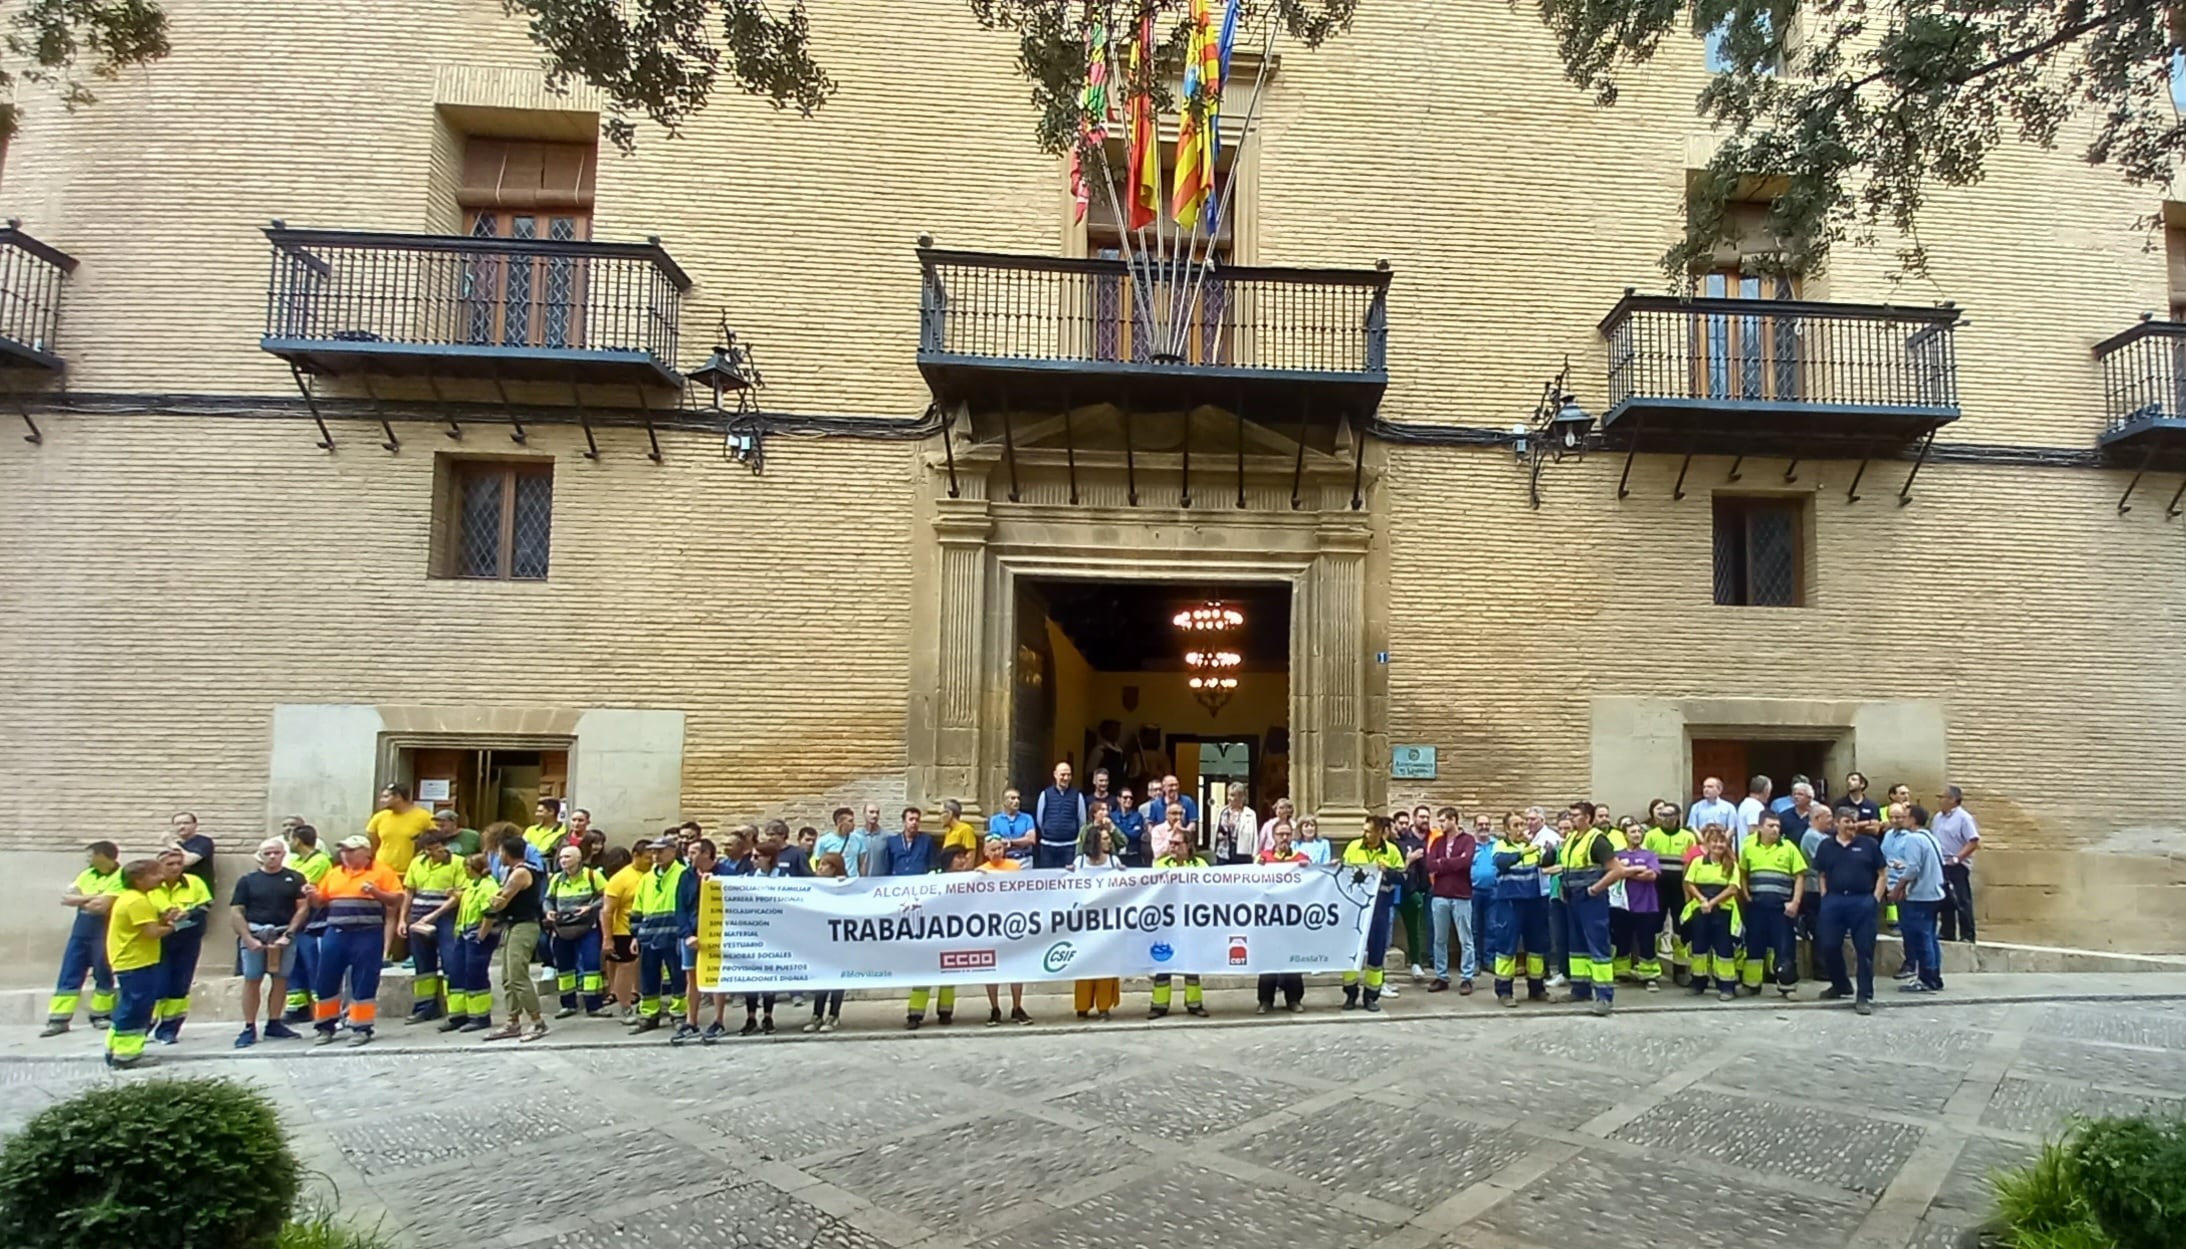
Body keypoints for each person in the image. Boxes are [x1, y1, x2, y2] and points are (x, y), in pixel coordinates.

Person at [310, 834, 402, 1046]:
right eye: (343, 850)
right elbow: (320, 902)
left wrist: (376, 892)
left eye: (351, 850)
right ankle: (325, 1027)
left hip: (367, 933)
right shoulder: (334, 874)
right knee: (326, 978)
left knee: (364, 980)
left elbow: (398, 899)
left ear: (365, 852)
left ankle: (361, 1028)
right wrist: (311, 895)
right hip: (336, 932)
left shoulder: (382, 872)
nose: (345, 855)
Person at [229, 837, 309, 1047]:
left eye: (276, 852)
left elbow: (302, 908)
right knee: (252, 979)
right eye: (267, 853)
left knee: (281, 979)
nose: (272, 857)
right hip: (255, 933)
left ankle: (274, 1022)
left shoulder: (295, 878)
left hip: (283, 934)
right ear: (260, 856)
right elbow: (236, 911)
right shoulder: (248, 880)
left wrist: (289, 935)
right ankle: (249, 1026)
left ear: (283, 854)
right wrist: (247, 938)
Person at [42, 840, 125, 1037]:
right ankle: (58, 1019)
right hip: (81, 930)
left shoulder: (121, 876)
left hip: (104, 929)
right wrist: (93, 897)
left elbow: (102, 907)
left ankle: (101, 1016)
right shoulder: (86, 874)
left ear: (103, 856)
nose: (87, 859)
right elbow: (66, 899)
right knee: (70, 971)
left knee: (103, 973)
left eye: (90, 855)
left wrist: (83, 900)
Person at [1813, 804, 1890, 1014]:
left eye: (1854, 821)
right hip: (1834, 901)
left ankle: (1864, 995)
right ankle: (1840, 985)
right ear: (1837, 823)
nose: (1852, 826)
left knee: (1865, 949)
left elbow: (1882, 873)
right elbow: (1821, 874)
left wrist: (1874, 898)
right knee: (1828, 946)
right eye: (1847, 821)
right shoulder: (1826, 846)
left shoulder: (1869, 845)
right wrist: (1825, 897)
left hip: (1862, 901)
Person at [102, 860, 179, 1069]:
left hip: (130, 960)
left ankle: (113, 1047)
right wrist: (174, 927)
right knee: (138, 1007)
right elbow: (151, 933)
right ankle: (127, 1055)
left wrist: (162, 919)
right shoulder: (137, 901)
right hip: (136, 961)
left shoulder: (131, 898)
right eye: (155, 874)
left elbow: (146, 926)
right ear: (139, 879)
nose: (161, 877)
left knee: (128, 1004)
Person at [1558, 804, 1631, 1015]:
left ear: (1588, 818)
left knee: (1598, 946)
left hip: (1591, 901)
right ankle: (1580, 989)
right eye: (1570, 815)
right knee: (1577, 946)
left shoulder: (1597, 840)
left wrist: (1594, 889)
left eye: (1575, 815)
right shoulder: (1572, 838)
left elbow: (1616, 870)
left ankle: (1604, 996)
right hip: (1573, 899)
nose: (1571, 819)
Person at [479, 834, 548, 1042]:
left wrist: (491, 899)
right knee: (507, 977)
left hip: (524, 926)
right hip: (512, 925)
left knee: (518, 975)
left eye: (500, 851)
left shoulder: (521, 873)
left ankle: (537, 1021)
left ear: (506, 853)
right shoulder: (511, 871)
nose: (497, 855)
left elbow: (501, 901)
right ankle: (513, 1022)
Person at [906, 846, 976, 1030]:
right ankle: (915, 1013)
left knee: (949, 973)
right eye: (958, 857)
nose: (962, 861)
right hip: (931, 933)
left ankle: (945, 1011)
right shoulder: (933, 878)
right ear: (948, 860)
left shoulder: (969, 879)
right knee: (923, 975)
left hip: (953, 934)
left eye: (964, 857)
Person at [148, 847, 213, 1044]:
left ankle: (169, 1029)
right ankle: (145, 1025)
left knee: (180, 985)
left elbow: (205, 905)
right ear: (159, 866)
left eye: (179, 863)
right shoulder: (151, 885)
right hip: (159, 940)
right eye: (170, 864)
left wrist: (189, 914)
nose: (176, 868)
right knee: (158, 985)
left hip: (187, 940)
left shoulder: (194, 882)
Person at [398, 833, 465, 1025]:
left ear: (445, 846)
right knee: (422, 965)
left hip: (446, 917)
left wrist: (434, 915)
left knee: (450, 961)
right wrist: (404, 920)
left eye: (436, 848)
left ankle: (456, 1011)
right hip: (419, 917)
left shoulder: (458, 863)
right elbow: (409, 892)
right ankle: (425, 1008)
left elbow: (458, 895)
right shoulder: (417, 862)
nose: (432, 853)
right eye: (428, 849)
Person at [1738, 813, 1807, 997]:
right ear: (1760, 827)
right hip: (1756, 907)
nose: (1775, 829)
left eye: (1777, 826)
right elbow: (1742, 872)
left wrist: (1795, 902)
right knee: (1753, 945)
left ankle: (1787, 986)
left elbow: (1800, 876)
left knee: (1784, 946)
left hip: (1781, 908)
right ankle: (1751, 985)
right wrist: (1746, 895)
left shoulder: (1788, 847)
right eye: (1771, 826)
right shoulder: (1749, 847)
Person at [1342, 815, 1406, 1012]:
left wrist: (1387, 871)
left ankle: (1371, 996)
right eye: (1364, 829)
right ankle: (1350, 995)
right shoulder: (1353, 847)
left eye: (1369, 831)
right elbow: (1343, 874)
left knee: (1376, 956)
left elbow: (1403, 878)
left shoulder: (1392, 851)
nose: (1365, 834)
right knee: (1351, 954)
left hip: (1380, 910)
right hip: (1355, 910)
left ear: (1380, 832)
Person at [1489, 813, 1551, 1007]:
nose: (1520, 828)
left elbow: (1546, 863)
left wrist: (1552, 851)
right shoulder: (1501, 846)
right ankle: (1504, 991)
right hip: (1509, 904)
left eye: (1522, 824)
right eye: (1515, 825)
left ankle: (1537, 988)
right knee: (1506, 948)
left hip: (1534, 902)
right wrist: (1525, 851)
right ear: (1507, 829)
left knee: (1537, 948)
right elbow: (1502, 863)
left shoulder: (1532, 846)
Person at [1885, 803, 1947, 993]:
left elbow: (1913, 868)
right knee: (1930, 937)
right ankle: (1934, 976)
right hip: (1935, 893)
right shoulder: (1930, 837)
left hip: (1920, 896)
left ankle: (1926, 979)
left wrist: (1898, 888)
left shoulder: (1913, 839)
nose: (1902, 818)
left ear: (1913, 819)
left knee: (1921, 938)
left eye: (1905, 815)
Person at [627, 837, 686, 1034]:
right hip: (649, 936)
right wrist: (635, 935)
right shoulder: (647, 878)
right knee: (648, 977)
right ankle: (649, 1015)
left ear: (672, 851)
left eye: (660, 851)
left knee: (679, 976)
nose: (656, 856)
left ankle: (679, 1013)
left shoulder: (683, 874)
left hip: (674, 935)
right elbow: (637, 909)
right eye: (653, 852)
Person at [545, 843, 610, 1019]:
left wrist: (590, 908)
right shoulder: (557, 879)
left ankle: (594, 1005)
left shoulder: (592, 875)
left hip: (587, 928)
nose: (563, 860)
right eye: (561, 857)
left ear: (578, 859)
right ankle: (568, 1004)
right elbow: (548, 899)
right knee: (564, 968)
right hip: (563, 929)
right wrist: (549, 911)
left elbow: (606, 896)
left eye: (567, 857)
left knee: (591, 966)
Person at [1149, 833, 1209, 1019]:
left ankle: (1194, 1003)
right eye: (1171, 843)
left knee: (1191, 963)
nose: (1173, 847)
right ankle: (1159, 1005)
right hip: (1166, 923)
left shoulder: (1201, 865)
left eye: (1177, 843)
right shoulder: (1160, 865)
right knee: (1163, 963)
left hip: (1192, 922)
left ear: (1188, 845)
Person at [974, 836, 1033, 1024]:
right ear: (985, 852)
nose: (996, 852)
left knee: (1017, 968)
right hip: (990, 926)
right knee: (991, 969)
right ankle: (994, 1008)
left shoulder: (1015, 867)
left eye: (999, 848)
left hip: (1013, 923)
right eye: (992, 849)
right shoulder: (980, 872)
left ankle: (1017, 1007)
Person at [1681, 827, 1744, 1002]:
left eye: (1722, 841)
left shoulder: (1732, 865)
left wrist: (1712, 902)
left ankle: (1726, 986)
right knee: (1699, 947)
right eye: (1715, 841)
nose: (1718, 845)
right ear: (1707, 843)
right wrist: (1702, 900)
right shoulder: (1698, 862)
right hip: (1700, 910)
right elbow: (1689, 882)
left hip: (1723, 912)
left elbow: (1733, 888)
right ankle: (1698, 983)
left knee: (1724, 949)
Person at [1643, 801, 1699, 985]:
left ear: (1677, 817)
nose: (1664, 819)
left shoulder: (1687, 837)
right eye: (1662, 815)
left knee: (1681, 927)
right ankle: (1653, 969)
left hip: (1679, 888)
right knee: (1654, 927)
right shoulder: (1651, 835)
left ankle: (1681, 969)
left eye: (1668, 816)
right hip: (1657, 888)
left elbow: (1692, 863)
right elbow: (1645, 859)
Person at [1070, 832, 1124, 1020]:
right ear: (1095, 841)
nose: (1109, 841)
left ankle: (1104, 1006)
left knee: (1106, 963)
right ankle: (1082, 1006)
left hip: (1108, 920)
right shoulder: (1079, 863)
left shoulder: (1114, 861)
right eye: (1105, 838)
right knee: (1084, 962)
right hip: (1084, 921)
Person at [443, 853, 499, 1033]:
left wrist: (481, 936)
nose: (465, 870)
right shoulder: (472, 885)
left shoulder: (488, 886)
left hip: (478, 937)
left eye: (468, 867)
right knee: (456, 973)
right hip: (464, 935)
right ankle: (457, 1015)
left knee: (475, 974)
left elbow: (490, 913)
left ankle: (479, 1016)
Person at [281, 825, 332, 1023]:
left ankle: (321, 1009)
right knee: (294, 963)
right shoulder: (295, 860)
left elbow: (297, 886)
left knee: (313, 962)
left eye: (291, 839)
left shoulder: (320, 861)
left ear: (299, 841)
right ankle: (297, 1006)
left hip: (312, 920)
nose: (289, 844)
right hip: (293, 918)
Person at [802, 853, 852, 1033]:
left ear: (834, 869)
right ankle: (817, 1014)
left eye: (825, 865)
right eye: (819, 864)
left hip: (838, 937)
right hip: (820, 937)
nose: (820, 868)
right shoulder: (813, 887)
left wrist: (842, 886)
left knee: (837, 977)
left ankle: (833, 1014)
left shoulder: (845, 886)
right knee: (822, 977)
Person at [1611, 823, 1664, 989]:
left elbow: (1651, 875)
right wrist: (1636, 870)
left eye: (1639, 831)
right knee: (1621, 940)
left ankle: (1649, 976)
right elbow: (1613, 873)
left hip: (1646, 905)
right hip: (1622, 906)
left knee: (1646, 941)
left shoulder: (1649, 855)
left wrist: (1626, 871)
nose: (1637, 834)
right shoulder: (1617, 855)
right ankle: (1621, 973)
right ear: (1625, 835)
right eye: (1632, 831)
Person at [601, 840, 646, 1014]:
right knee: (625, 967)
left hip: (647, 929)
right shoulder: (619, 879)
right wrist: (607, 938)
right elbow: (607, 911)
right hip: (624, 930)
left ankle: (642, 999)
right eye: (648, 858)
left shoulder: (651, 874)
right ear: (636, 856)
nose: (652, 861)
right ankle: (625, 1006)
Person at [1933, 785, 1980, 944]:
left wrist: (1957, 859)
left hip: (1957, 864)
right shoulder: (1938, 817)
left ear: (1953, 799)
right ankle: (1947, 931)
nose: (1940, 801)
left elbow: (1973, 841)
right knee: (1945, 899)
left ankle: (1967, 934)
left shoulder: (1963, 818)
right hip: (1941, 863)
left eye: (1942, 797)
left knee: (1961, 899)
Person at [366, 784, 434, 877]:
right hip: (382, 871)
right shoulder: (379, 817)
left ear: (398, 797)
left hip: (410, 872)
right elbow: (372, 844)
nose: (381, 800)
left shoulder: (423, 816)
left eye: (386, 797)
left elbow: (435, 839)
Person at [1393, 808, 1429, 984]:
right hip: (1391, 891)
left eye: (1407, 823)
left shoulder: (1415, 843)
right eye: (1401, 823)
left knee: (1413, 929)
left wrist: (1421, 888)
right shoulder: (1390, 843)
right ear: (1394, 824)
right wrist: (1409, 860)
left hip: (1409, 890)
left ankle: (1416, 962)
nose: (1404, 826)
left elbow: (1423, 867)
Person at [1034, 762, 1088, 869]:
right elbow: (1040, 819)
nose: (1066, 778)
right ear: (1055, 774)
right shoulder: (1045, 794)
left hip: (1070, 846)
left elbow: (1082, 821)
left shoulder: (1077, 795)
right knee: (1048, 879)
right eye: (1063, 774)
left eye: (1069, 775)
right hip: (1048, 846)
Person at [1468, 812, 1499, 977]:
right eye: (1480, 824)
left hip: (1494, 891)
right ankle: (1475, 962)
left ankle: (1489, 960)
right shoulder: (1469, 845)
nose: (1484, 827)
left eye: (1487, 824)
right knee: (1473, 928)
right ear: (1475, 827)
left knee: (1492, 927)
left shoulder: (1497, 844)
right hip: (1472, 891)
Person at [879, 806, 939, 877]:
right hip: (898, 882)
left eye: (917, 820)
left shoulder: (926, 840)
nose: (914, 822)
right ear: (904, 822)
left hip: (920, 882)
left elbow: (933, 864)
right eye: (911, 819)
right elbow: (887, 866)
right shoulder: (892, 841)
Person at [169, 811, 216, 897]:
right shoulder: (177, 844)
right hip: (179, 891)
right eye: (177, 824)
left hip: (199, 892)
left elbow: (188, 861)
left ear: (195, 825)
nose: (182, 827)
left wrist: (171, 844)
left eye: (186, 823)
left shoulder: (203, 841)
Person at [1143, 775, 1199, 844]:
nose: (1174, 788)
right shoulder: (1155, 804)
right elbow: (1150, 824)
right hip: (1162, 842)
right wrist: (1157, 838)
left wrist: (1184, 834)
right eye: (1171, 785)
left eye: (1176, 785)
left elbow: (1192, 823)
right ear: (1163, 788)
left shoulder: (1188, 801)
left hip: (1183, 842)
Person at [1210, 787, 1257, 866]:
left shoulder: (1250, 813)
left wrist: (1254, 854)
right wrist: (1219, 836)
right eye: (1228, 795)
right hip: (1223, 853)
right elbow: (1218, 830)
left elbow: (1254, 836)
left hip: (1243, 854)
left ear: (1241, 797)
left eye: (1232, 795)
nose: (1229, 798)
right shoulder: (1223, 811)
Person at [986, 791, 1035, 863]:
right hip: (1004, 860)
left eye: (1018, 798)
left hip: (1024, 860)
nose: (1017, 801)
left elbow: (1031, 839)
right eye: (1013, 798)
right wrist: (1020, 841)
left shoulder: (1027, 818)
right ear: (1004, 801)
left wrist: (1010, 842)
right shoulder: (995, 820)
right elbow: (996, 841)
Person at [1146, 799, 1188, 867]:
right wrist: (1173, 832)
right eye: (1174, 813)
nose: (1178, 817)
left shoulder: (1184, 831)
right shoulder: (1157, 830)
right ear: (1166, 815)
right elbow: (1157, 854)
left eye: (1181, 814)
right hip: (1161, 868)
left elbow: (1188, 855)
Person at [1734, 776, 1771, 850]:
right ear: (1765, 790)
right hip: (1754, 852)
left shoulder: (1745, 803)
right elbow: (1753, 830)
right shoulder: (1755, 806)